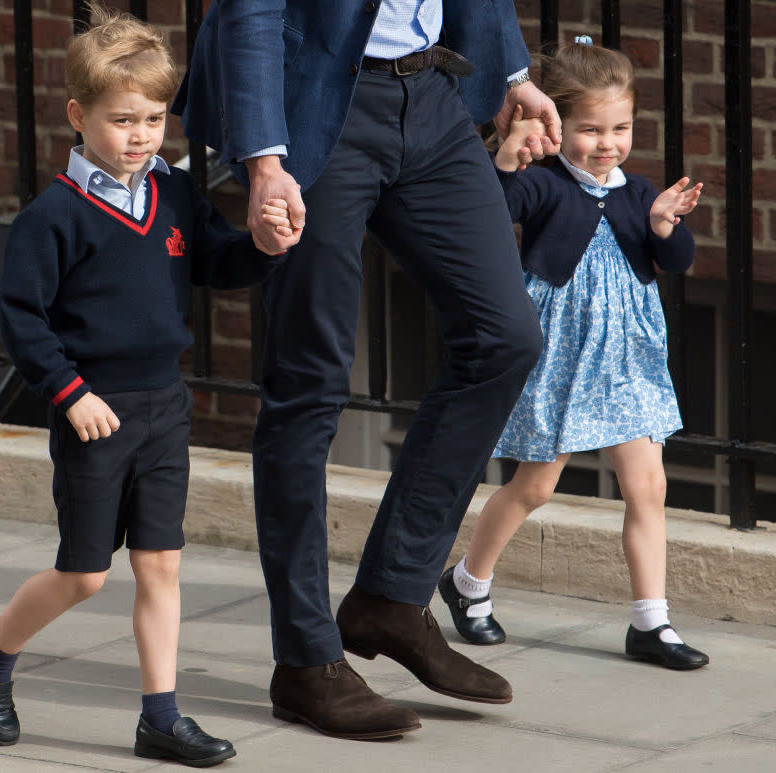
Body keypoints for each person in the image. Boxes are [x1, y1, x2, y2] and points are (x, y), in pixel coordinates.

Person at [174, 0, 562, 741]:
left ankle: (392, 595)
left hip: (431, 100)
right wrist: (264, 163)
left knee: (504, 337)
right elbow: (252, 12)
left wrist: (511, 67)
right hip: (314, 107)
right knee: (310, 383)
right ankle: (306, 659)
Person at [0, 3, 289, 765]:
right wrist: (69, 393)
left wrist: (262, 247)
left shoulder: (174, 195)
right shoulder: (52, 218)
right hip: (92, 411)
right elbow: (23, 320)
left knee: (162, 562)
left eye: (154, 118)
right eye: (122, 119)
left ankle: (160, 716)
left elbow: (216, 264)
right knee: (85, 573)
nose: (140, 135)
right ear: (78, 115)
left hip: (164, 406)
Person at [438, 37, 710, 671]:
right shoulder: (542, 184)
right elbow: (490, 212)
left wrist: (668, 228)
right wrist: (505, 160)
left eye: (620, 128)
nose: (607, 143)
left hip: (628, 360)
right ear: (558, 125)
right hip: (561, 352)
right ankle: (467, 584)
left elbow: (675, 261)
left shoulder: (639, 193)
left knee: (649, 485)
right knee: (534, 486)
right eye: (590, 129)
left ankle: (651, 622)